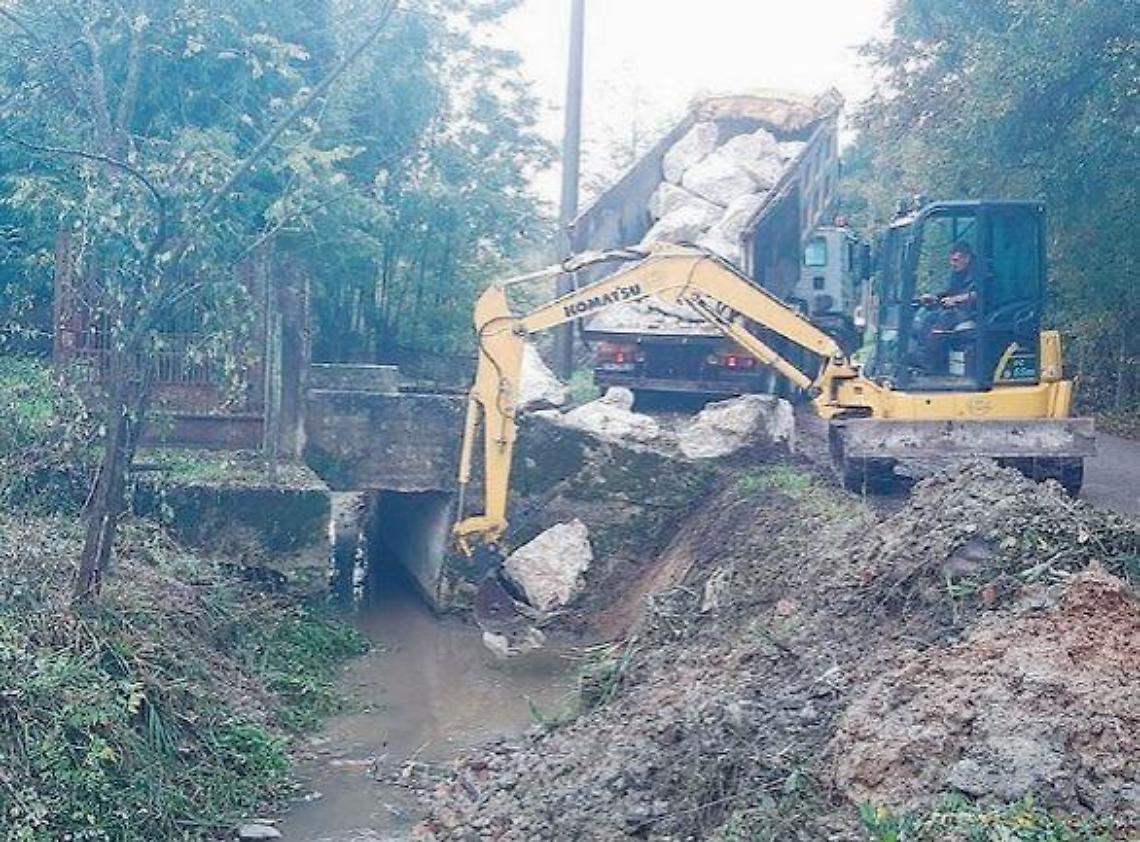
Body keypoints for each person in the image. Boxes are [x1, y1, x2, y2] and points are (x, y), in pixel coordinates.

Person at [914, 241, 982, 372]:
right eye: (951, 260)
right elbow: (949, 292)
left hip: (974, 312)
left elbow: (979, 294)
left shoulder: (980, 272)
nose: (953, 264)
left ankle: (930, 360)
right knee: (929, 317)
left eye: (956, 260)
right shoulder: (957, 274)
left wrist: (955, 300)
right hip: (958, 311)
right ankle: (924, 354)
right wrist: (934, 298)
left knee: (945, 317)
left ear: (966, 258)